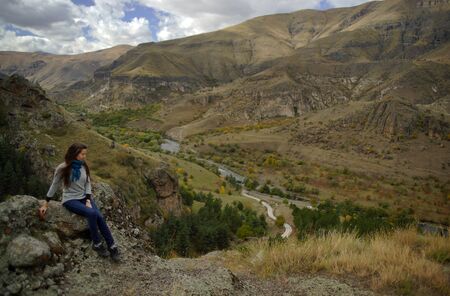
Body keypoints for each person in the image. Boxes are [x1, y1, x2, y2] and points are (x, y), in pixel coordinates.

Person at [39, 143, 120, 262]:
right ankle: (97, 243)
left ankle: (112, 246)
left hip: (83, 197)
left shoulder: (83, 166)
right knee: (92, 213)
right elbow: (54, 185)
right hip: (70, 199)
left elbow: (87, 183)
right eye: (82, 154)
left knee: (99, 217)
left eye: (85, 154)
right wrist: (46, 202)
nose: (84, 156)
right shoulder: (62, 167)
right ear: (75, 153)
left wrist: (88, 199)